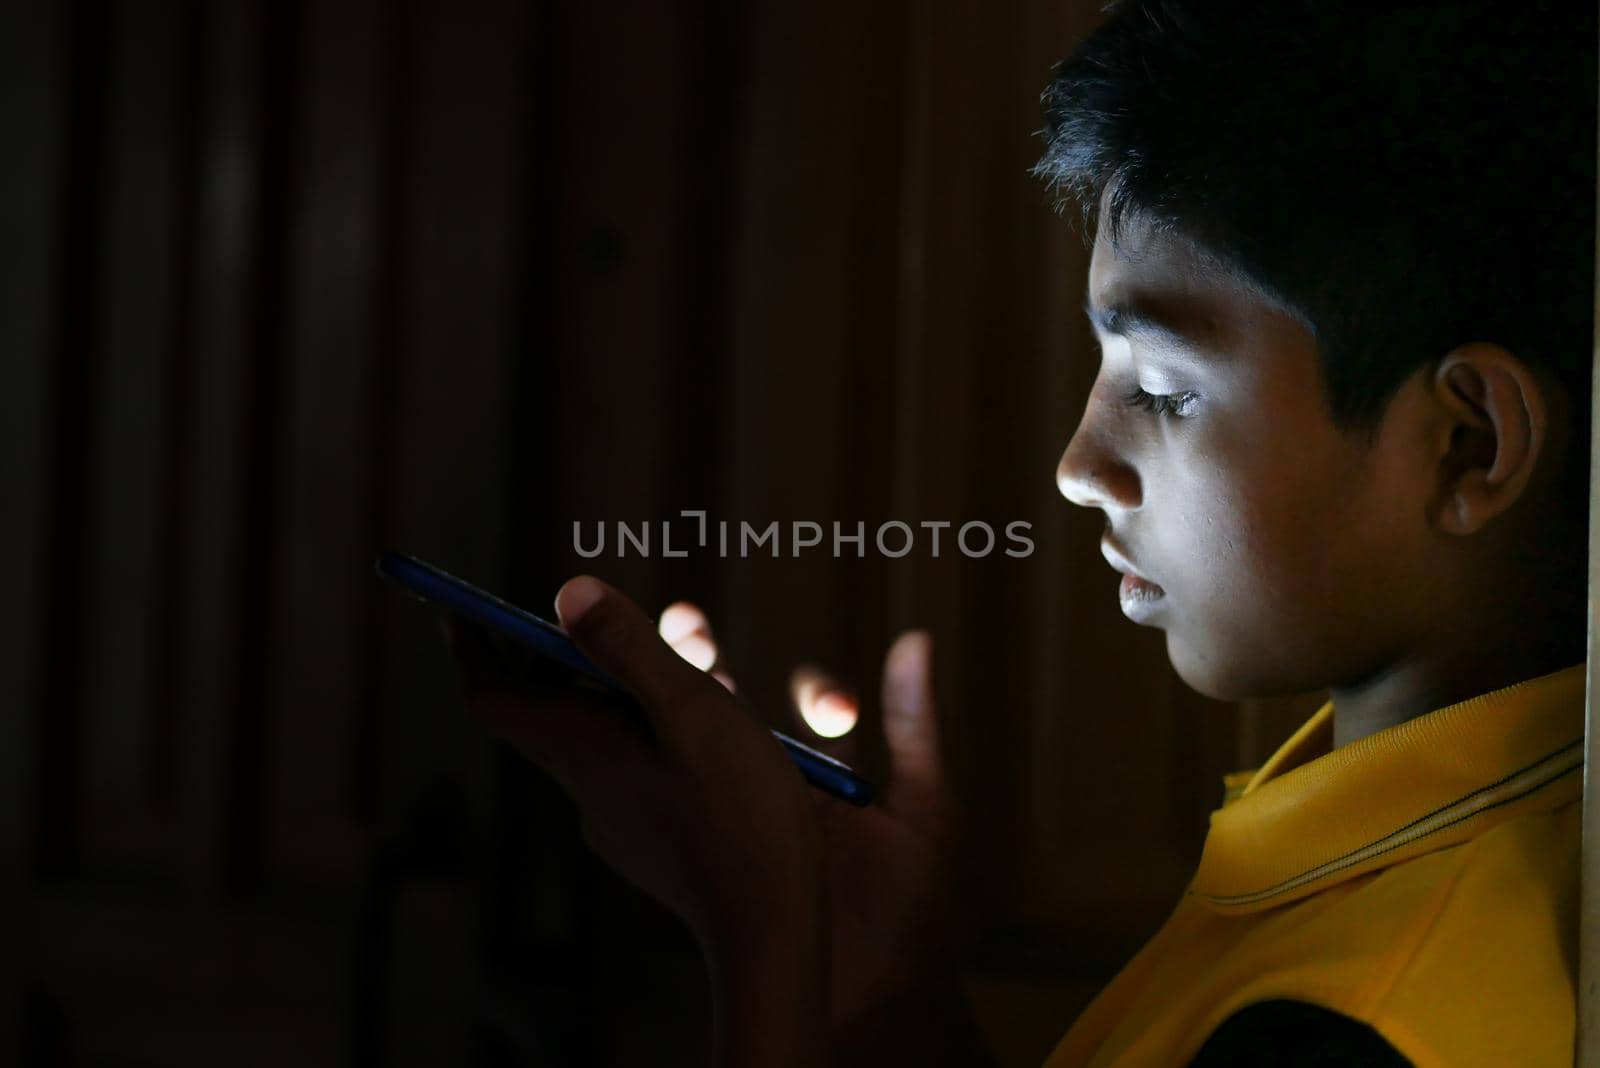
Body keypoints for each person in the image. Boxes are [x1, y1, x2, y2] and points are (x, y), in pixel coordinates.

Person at [447, 0, 1595, 1064]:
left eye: (1163, 388)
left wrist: (762, 940)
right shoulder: (1388, 846)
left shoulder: (1360, 1022)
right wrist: (888, 990)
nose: (1077, 467)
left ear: (1468, 448)